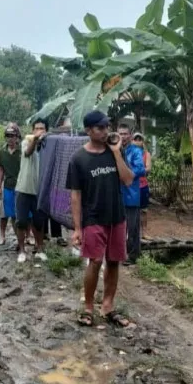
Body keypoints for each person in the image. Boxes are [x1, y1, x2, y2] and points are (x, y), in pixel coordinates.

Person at [68, 111, 134, 327]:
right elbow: (75, 195)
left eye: (107, 127)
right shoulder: (78, 158)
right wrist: (77, 228)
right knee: (95, 261)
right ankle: (88, 306)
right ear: (88, 131)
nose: (105, 131)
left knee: (114, 261)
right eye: (100, 128)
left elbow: (128, 180)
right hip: (93, 217)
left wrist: (116, 153)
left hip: (116, 216)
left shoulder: (114, 151)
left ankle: (108, 306)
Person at [15, 119, 48, 263]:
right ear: (33, 130)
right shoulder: (25, 142)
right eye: (37, 128)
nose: (40, 131)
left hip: (40, 191)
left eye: (42, 128)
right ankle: (22, 251)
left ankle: (40, 249)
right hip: (23, 188)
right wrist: (34, 140)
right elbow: (28, 152)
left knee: (39, 222)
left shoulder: (49, 146)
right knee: (21, 221)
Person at [118, 124, 146, 265]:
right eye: (120, 133)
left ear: (130, 135)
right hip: (117, 195)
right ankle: (121, 252)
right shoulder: (114, 150)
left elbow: (141, 169)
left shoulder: (135, 151)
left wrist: (126, 174)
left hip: (131, 194)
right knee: (119, 226)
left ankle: (133, 255)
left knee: (132, 227)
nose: (122, 136)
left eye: (125, 134)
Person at [0, 124, 21, 246]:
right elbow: (0, 169)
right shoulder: (1, 152)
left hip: (21, 185)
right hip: (7, 184)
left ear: (17, 137)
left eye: (12, 136)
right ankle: (2, 235)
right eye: (8, 136)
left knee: (20, 214)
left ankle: (22, 237)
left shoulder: (23, 150)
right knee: (4, 213)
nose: (10, 138)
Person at [133, 133, 152, 238]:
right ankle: (133, 233)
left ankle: (144, 233)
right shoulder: (128, 153)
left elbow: (148, 168)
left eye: (140, 139)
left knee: (143, 210)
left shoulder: (146, 154)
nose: (137, 141)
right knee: (131, 210)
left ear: (142, 142)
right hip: (131, 187)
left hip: (143, 186)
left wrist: (134, 172)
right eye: (135, 139)